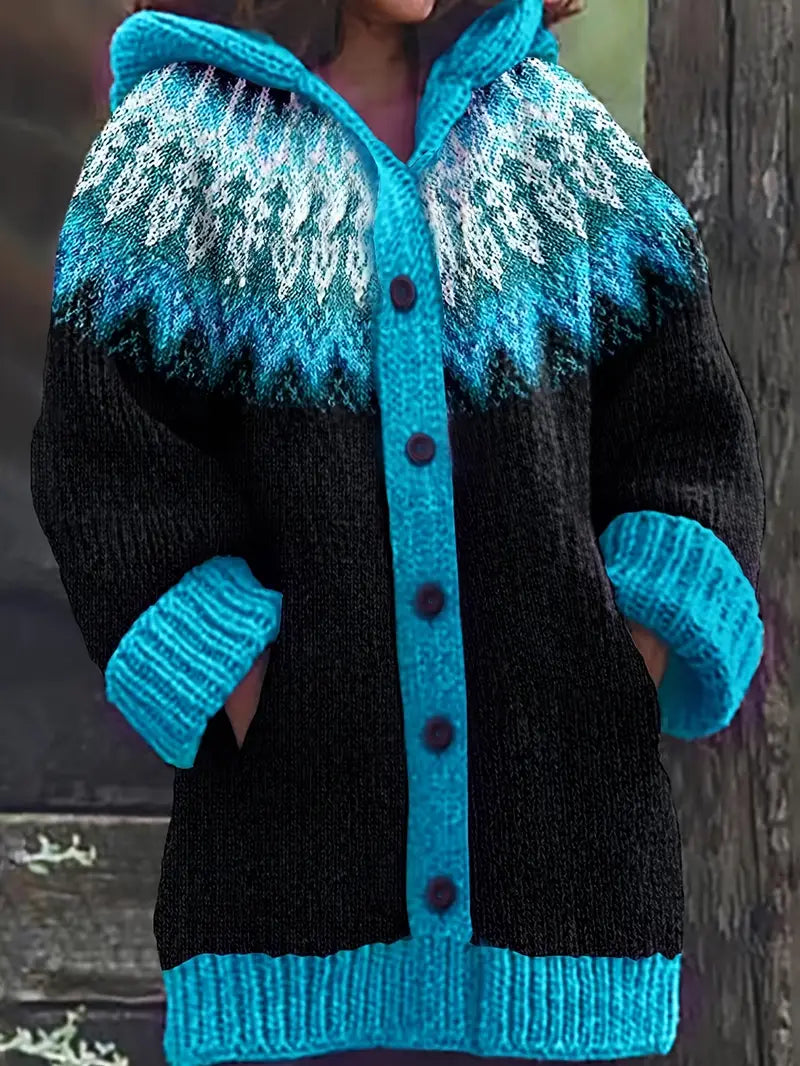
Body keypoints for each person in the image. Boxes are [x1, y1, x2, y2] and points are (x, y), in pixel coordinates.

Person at [29, 0, 766, 1064]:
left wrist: (629, 656)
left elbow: (686, 429)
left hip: (563, 892)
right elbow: (106, 458)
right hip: (289, 897)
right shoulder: (175, 152)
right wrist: (248, 683)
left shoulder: (553, 141)